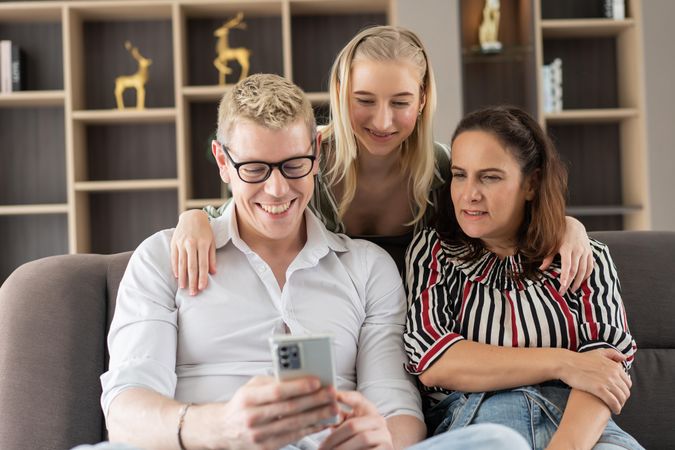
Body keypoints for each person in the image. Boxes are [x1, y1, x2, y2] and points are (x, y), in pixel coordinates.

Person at [99, 75, 529, 450]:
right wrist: (222, 428)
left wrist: (384, 440)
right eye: (254, 169)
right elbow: (125, 412)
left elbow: (395, 402)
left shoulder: (366, 267)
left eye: (293, 165)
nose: (276, 190)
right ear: (222, 162)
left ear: (317, 153)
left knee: (499, 442)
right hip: (211, 444)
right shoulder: (162, 257)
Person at [170, 25, 593, 295]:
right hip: (337, 324)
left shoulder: (444, 170)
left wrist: (568, 226)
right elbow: (250, 205)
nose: (383, 121)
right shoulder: (304, 157)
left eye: (401, 102)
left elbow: (507, 216)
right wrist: (195, 218)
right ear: (340, 93)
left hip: (422, 335)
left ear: (423, 99)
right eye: (364, 101)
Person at [404, 105, 643, 450]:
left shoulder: (585, 257)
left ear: (531, 183)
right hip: (479, 422)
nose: (469, 194)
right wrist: (565, 363)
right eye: (460, 174)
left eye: (490, 177)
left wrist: (566, 447)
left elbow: (606, 372)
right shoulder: (433, 251)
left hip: (581, 430)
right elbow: (434, 360)